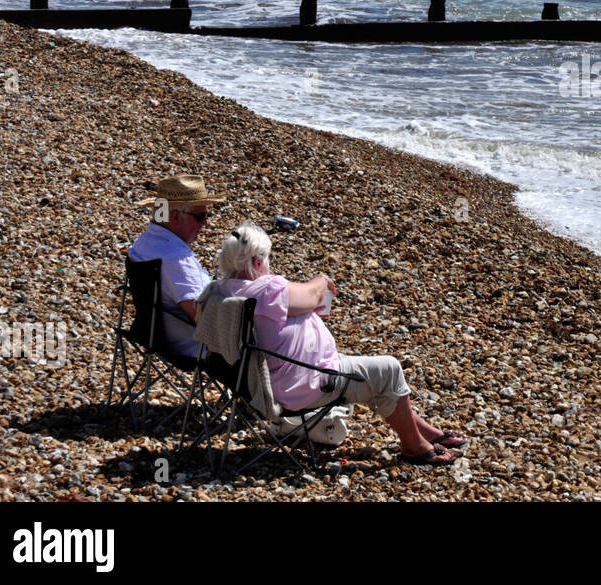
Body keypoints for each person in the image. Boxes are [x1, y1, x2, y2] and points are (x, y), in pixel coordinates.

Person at [213, 222, 464, 466]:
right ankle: (414, 446)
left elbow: (290, 309)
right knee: (389, 369)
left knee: (369, 371)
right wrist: (322, 280)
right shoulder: (266, 289)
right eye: (268, 259)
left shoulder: (223, 291)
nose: (269, 265)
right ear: (257, 262)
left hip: (262, 383)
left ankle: (425, 432)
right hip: (305, 385)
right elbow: (311, 296)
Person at [129, 174, 225, 359]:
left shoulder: (142, 245)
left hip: (154, 336)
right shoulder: (175, 258)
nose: (206, 223)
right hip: (195, 347)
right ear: (174, 217)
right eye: (201, 216)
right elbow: (204, 319)